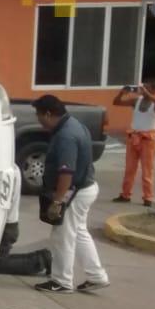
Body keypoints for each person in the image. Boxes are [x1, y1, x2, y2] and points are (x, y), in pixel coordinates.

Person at [31, 95, 109, 294]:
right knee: (79, 232)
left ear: (48, 114)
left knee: (62, 235)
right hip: (85, 187)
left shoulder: (66, 135)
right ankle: (96, 276)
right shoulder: (74, 124)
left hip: (75, 191)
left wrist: (57, 201)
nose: (38, 119)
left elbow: (67, 172)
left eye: (39, 115)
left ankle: (62, 281)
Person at [112, 76, 155, 206]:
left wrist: (147, 94)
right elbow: (116, 102)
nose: (143, 90)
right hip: (134, 136)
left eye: (147, 87)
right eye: (143, 87)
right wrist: (121, 93)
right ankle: (125, 194)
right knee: (130, 168)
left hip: (148, 139)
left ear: (154, 90)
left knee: (147, 170)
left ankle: (148, 197)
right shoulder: (137, 100)